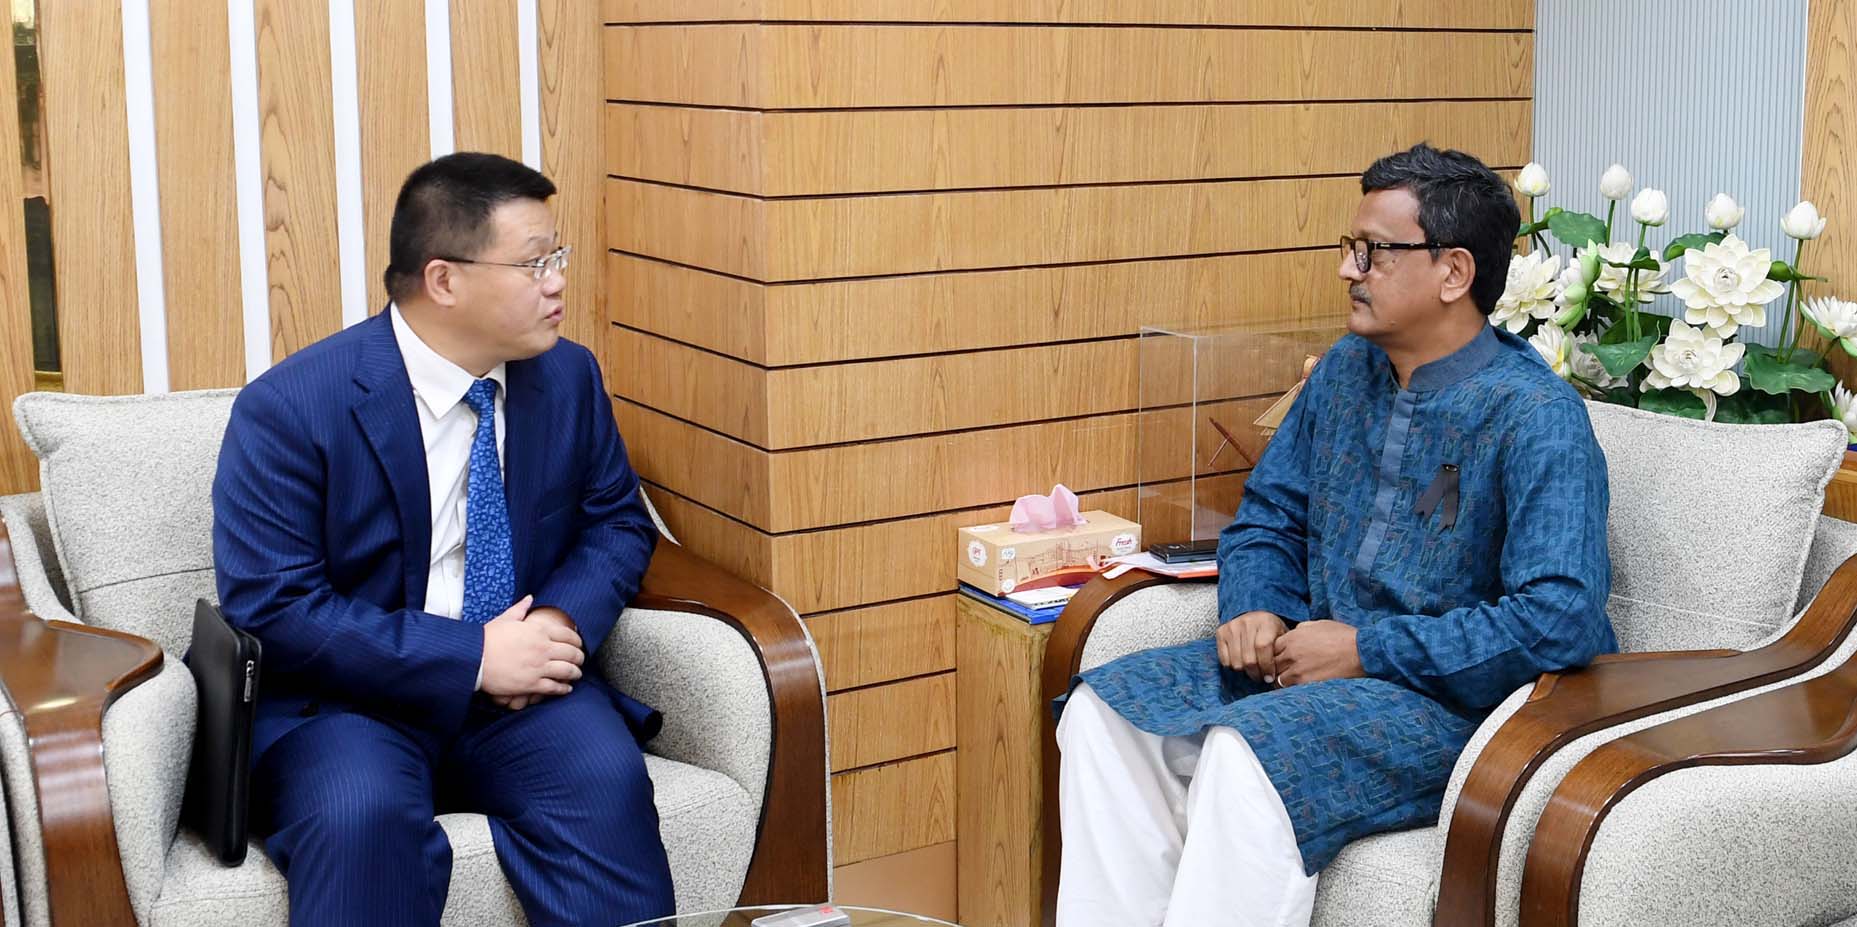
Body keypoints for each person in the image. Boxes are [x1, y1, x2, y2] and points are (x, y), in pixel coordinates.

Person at [1054, 143, 1618, 927]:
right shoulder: (1346, 370)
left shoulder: (1536, 417)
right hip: (1314, 672)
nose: (1348, 269)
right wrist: (1254, 605)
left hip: (1460, 706)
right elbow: (1269, 512)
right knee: (1104, 715)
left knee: (1249, 755)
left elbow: (1559, 619)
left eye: (1374, 252)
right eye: (1351, 247)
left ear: (1453, 272)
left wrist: (1365, 649)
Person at [213, 152, 673, 927]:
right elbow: (274, 605)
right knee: (360, 818)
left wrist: (555, 624)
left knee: (605, 780)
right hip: (350, 702)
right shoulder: (291, 408)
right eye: (534, 263)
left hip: (524, 690)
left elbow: (617, 521)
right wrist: (473, 657)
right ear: (444, 280)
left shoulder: (567, 376)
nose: (558, 281)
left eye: (557, 256)